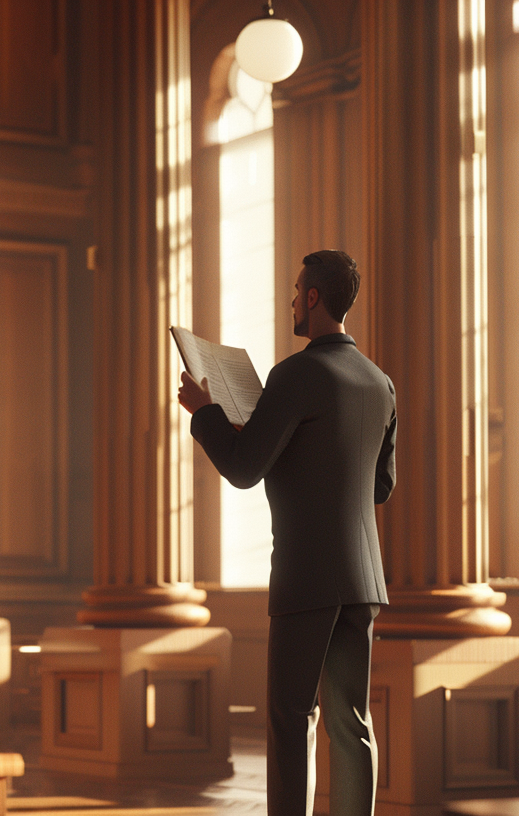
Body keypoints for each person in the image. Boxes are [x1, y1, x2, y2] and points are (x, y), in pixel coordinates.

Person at [178, 250, 397, 816]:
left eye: (298, 291)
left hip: (308, 577)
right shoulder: (380, 382)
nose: (292, 300)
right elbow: (380, 486)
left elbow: (244, 469)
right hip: (364, 579)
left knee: (291, 718)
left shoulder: (296, 374)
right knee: (353, 723)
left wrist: (204, 412)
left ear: (315, 298)